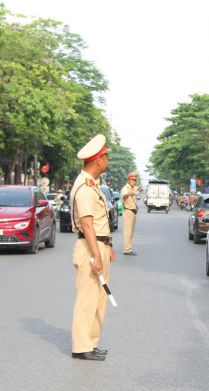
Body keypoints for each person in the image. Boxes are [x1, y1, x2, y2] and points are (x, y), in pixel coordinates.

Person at [70, 134, 116, 361]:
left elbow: (99, 222)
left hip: (100, 246)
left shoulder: (93, 185)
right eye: (106, 156)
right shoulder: (85, 187)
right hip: (91, 249)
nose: (108, 160)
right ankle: (81, 347)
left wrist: (109, 246)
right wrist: (97, 256)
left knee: (100, 298)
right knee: (87, 299)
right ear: (98, 160)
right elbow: (87, 224)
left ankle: (91, 342)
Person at [121, 172, 141, 256]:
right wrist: (129, 194)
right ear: (128, 180)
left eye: (135, 180)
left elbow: (136, 188)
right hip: (128, 212)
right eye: (132, 180)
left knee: (131, 232)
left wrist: (140, 187)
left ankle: (128, 247)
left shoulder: (132, 188)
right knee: (128, 232)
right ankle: (127, 249)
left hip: (133, 212)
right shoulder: (126, 188)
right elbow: (124, 195)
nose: (134, 181)